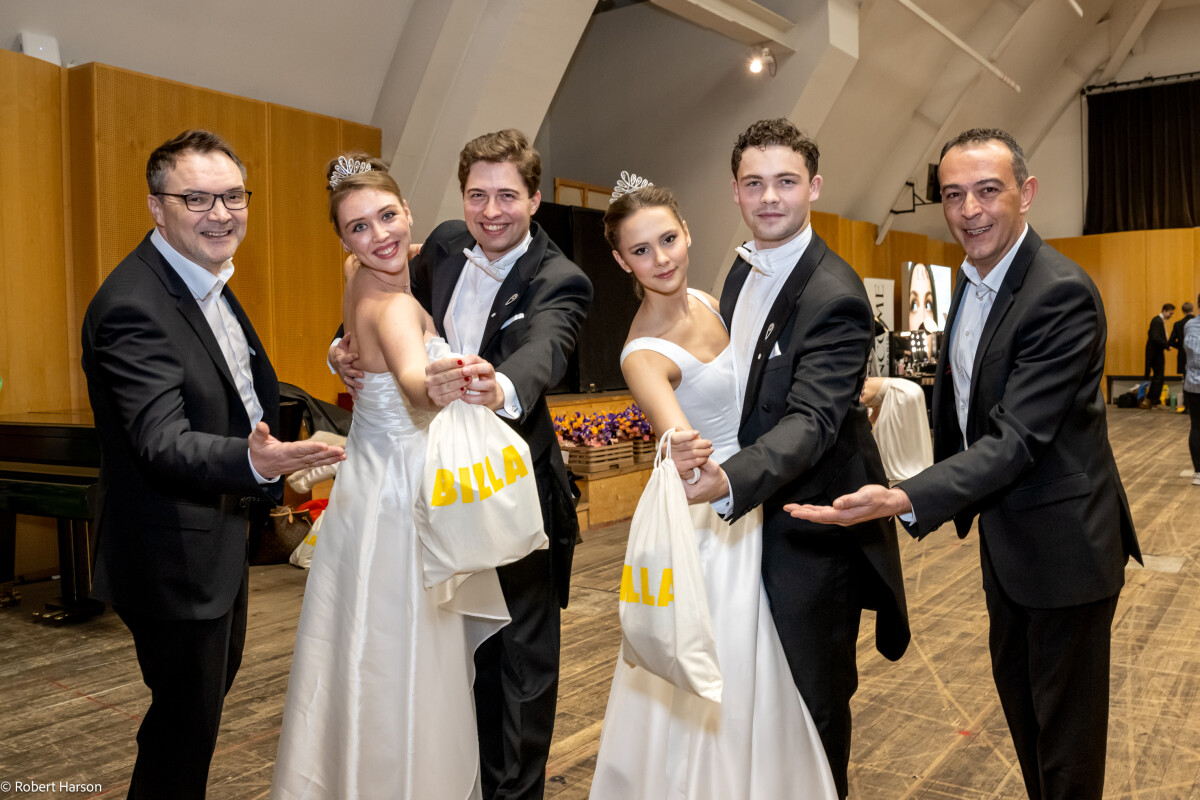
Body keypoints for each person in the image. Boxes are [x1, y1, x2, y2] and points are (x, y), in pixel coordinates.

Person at [789, 128, 1142, 800]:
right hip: (1008, 543)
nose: (970, 210)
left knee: (1066, 746)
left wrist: (905, 495)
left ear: (1027, 193)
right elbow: (965, 408)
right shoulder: (973, 281)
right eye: (954, 196)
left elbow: (1018, 440)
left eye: (988, 191)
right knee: (1025, 714)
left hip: (1067, 548)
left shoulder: (1059, 293)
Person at [81, 129, 345, 800]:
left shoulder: (206, 281)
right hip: (171, 552)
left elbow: (237, 386)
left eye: (232, 196)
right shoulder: (133, 306)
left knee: (190, 720)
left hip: (215, 541)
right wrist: (256, 464)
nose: (221, 213)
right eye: (197, 198)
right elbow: (160, 441)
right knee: (182, 729)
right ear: (156, 205)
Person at [331, 130, 592, 800]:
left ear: (535, 198)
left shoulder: (561, 278)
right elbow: (378, 298)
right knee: (450, 664)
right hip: (426, 493)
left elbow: (548, 346)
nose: (492, 210)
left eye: (509, 194)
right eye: (478, 194)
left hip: (513, 494)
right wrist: (343, 346)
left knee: (518, 677)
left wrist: (499, 385)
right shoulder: (443, 244)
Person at [682, 118, 910, 799]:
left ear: (814, 187)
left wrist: (728, 478)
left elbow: (811, 422)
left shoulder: (835, 296)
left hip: (813, 524)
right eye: (755, 183)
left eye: (786, 182)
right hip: (743, 520)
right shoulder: (737, 267)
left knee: (813, 701)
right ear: (735, 192)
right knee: (751, 690)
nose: (770, 197)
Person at [588, 177, 838, 799]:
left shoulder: (707, 298)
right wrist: (683, 447)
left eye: (668, 239)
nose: (662, 258)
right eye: (641, 251)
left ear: (687, 232)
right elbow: (675, 436)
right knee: (718, 662)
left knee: (764, 662)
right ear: (622, 261)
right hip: (715, 516)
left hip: (756, 487)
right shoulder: (641, 354)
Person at [271, 156, 510, 799]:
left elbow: (360, 333)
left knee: (356, 637)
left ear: (409, 214)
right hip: (402, 491)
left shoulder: (356, 276)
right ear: (342, 240)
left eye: (386, 217)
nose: (377, 237)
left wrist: (340, 351)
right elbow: (410, 378)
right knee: (405, 648)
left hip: (362, 486)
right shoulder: (400, 307)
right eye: (356, 229)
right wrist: (429, 385)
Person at [1144, 302, 1175, 408]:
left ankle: (1153, 399)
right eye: (1170, 313)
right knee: (1158, 376)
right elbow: (1155, 337)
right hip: (1155, 353)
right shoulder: (1157, 321)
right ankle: (1153, 400)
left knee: (1158, 376)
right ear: (1165, 311)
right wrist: (1166, 346)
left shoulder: (1158, 320)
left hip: (1156, 352)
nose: (1171, 316)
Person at [1183, 297, 1200, 484]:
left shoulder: (1190, 325)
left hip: (1193, 384)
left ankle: (1198, 472)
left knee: (1197, 426)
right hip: (1195, 384)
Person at [1169, 301, 1195, 412]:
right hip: (1196, 355)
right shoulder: (1196, 323)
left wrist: (1180, 346)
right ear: (1193, 309)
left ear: (1182, 311)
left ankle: (1187, 406)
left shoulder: (1178, 324)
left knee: (1186, 381)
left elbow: (1170, 341)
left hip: (1183, 356)